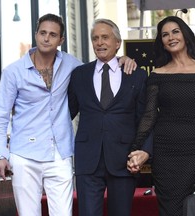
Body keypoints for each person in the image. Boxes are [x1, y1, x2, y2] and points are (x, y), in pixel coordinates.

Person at [0, 13, 136, 216]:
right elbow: (0, 114)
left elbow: (100, 68)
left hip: (60, 154)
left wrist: (122, 59)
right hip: (24, 154)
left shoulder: (73, 66)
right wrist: (0, 154)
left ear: (61, 40)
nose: (46, 38)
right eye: (42, 33)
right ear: (36, 35)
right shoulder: (13, 72)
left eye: (52, 34)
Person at [127, 16, 195, 216]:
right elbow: (149, 116)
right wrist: (136, 149)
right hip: (164, 152)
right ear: (162, 42)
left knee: (191, 206)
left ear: (185, 34)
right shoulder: (157, 75)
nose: (171, 37)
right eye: (165, 34)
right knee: (169, 208)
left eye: (175, 31)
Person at [68, 18, 152, 216]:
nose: (99, 42)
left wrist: (145, 151)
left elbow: (146, 119)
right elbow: (66, 114)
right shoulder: (79, 75)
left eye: (105, 37)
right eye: (95, 38)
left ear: (117, 43)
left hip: (124, 160)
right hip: (88, 161)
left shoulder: (136, 75)